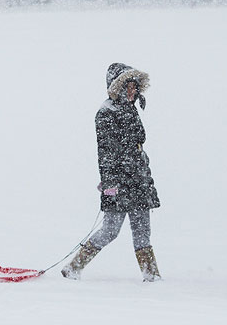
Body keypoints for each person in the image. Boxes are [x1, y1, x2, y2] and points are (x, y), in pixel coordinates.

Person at [61, 63, 161, 282]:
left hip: (139, 180)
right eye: (129, 87)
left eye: (135, 87)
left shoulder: (130, 108)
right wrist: (110, 183)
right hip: (119, 181)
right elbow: (105, 151)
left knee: (143, 231)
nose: (133, 91)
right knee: (110, 231)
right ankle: (73, 267)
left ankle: (151, 276)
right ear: (118, 87)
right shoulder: (106, 112)